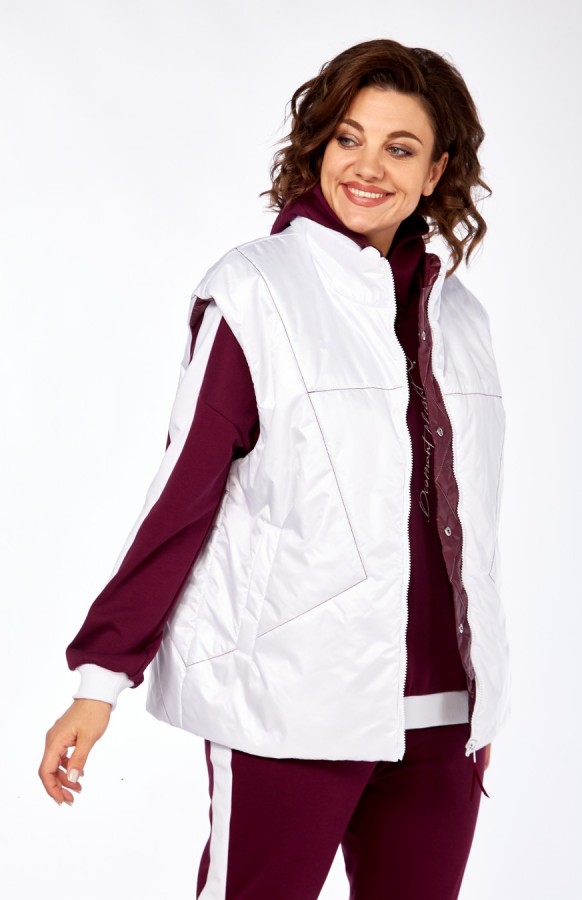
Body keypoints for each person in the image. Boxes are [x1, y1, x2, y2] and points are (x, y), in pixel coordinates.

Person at [39, 38, 510, 899]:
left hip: (443, 718)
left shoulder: (463, 318)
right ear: (320, 145)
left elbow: (471, 522)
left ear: (437, 170)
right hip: (290, 704)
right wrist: (100, 679)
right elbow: (183, 494)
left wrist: (485, 693)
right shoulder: (256, 290)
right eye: (348, 138)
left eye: (400, 147)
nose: (367, 167)